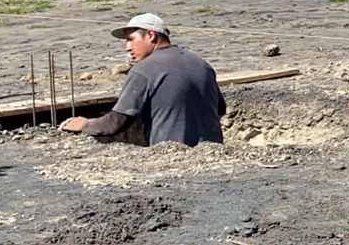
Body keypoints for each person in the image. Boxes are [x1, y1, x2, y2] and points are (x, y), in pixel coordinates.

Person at [59, 13, 225, 147]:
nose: (127, 48)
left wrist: (85, 124)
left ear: (150, 35)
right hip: (215, 154)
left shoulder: (144, 69)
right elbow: (220, 109)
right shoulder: (201, 63)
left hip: (174, 155)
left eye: (131, 39)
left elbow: (116, 123)